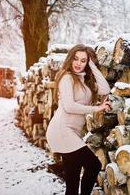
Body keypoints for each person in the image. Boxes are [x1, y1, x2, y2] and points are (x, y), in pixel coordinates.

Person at [46, 44, 111, 195]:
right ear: (70, 58)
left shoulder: (84, 81)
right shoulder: (67, 77)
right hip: (62, 130)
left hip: (72, 133)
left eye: (83, 61)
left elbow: (105, 89)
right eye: (75, 59)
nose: (78, 63)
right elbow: (69, 107)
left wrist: (92, 66)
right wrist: (97, 108)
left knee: (72, 184)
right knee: (94, 165)